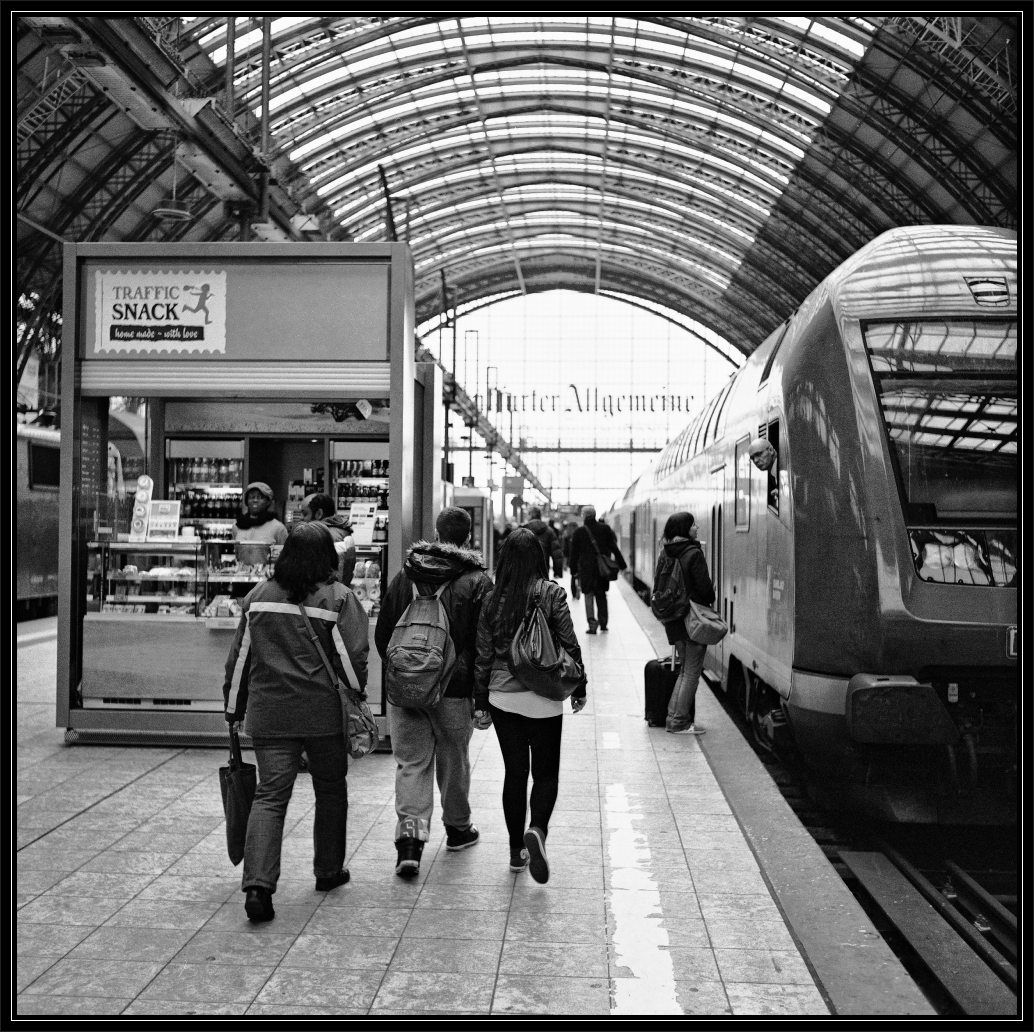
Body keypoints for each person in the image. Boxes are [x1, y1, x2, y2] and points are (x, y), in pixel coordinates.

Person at [222, 522, 370, 922]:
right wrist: (357, 694)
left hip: (270, 715)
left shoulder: (259, 597)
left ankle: (258, 887)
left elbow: (239, 660)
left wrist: (233, 710)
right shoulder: (339, 598)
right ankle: (328, 870)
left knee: (270, 796)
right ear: (328, 557)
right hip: (321, 714)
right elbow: (352, 661)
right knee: (331, 789)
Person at [375, 506, 493, 879]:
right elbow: (483, 644)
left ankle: (410, 843)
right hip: (454, 690)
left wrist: (406, 673)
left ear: (437, 534)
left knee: (411, 762)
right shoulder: (476, 582)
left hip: (405, 688)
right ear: (468, 537)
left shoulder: (404, 576)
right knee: (453, 757)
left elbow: (383, 633)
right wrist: (474, 688)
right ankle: (458, 829)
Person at [473, 528, 587, 882]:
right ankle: (537, 829)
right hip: (543, 695)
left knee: (515, 773)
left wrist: (481, 701)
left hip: (503, 695)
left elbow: (482, 655)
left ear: (505, 559)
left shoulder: (492, 599)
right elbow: (568, 641)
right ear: (539, 558)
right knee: (546, 773)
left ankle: (515, 852)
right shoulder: (551, 593)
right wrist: (579, 684)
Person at [656, 512, 715, 735]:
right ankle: (679, 721)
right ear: (684, 529)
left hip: (673, 618)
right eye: (693, 525)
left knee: (684, 670)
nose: (697, 527)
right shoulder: (693, 553)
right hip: (692, 620)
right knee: (691, 672)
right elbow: (705, 589)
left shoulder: (665, 552)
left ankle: (673, 716)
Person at [568, 505, 626, 634]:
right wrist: (622, 565)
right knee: (601, 595)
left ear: (583, 516)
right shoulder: (605, 529)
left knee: (588, 596)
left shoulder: (579, 532)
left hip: (586, 570)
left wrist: (573, 570)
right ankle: (603, 623)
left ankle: (592, 625)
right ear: (594, 515)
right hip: (602, 569)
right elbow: (613, 547)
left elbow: (574, 554)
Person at [301, 492, 357, 586]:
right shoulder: (341, 532)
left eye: (305, 513)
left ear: (319, 514)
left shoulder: (324, 537)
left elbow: (332, 577)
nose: (301, 518)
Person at [233, 482, 288, 563]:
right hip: (241, 574)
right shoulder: (237, 526)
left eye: (260, 497)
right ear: (246, 501)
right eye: (251, 497)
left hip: (266, 574)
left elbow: (285, 558)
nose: (255, 500)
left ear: (268, 502)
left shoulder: (278, 528)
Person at [521, 507, 563, 581]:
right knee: (543, 590)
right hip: (543, 568)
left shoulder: (522, 530)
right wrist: (557, 571)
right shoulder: (549, 531)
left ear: (529, 515)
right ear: (540, 515)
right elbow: (556, 553)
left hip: (524, 568)